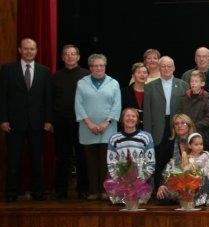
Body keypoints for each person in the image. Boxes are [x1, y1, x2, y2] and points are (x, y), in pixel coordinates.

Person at [0, 38, 52, 202]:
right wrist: (3, 119)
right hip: (14, 122)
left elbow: (47, 98)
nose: (29, 51)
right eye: (26, 48)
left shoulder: (44, 71)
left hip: (37, 122)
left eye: (32, 49)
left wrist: (48, 120)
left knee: (37, 159)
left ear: (36, 51)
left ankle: (38, 192)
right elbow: (2, 96)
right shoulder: (8, 69)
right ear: (20, 50)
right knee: (14, 159)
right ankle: (11, 192)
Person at [75, 53, 121, 200]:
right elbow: (78, 105)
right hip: (87, 128)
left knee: (106, 163)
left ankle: (105, 191)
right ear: (90, 67)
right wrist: (89, 123)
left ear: (105, 66)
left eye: (101, 65)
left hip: (108, 128)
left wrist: (105, 123)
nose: (98, 68)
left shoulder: (113, 83)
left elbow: (116, 105)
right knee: (90, 162)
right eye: (95, 65)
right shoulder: (82, 83)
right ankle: (93, 191)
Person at [143, 56, 189, 187]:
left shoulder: (183, 85)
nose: (166, 68)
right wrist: (147, 135)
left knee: (178, 159)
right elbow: (147, 113)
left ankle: (178, 189)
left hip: (177, 127)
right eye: (163, 66)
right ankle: (159, 190)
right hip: (158, 129)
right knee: (159, 160)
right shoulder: (150, 87)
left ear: (174, 68)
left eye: (169, 66)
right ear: (159, 68)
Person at [51, 44, 90, 200]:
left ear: (78, 57)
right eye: (66, 54)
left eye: (73, 54)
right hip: (61, 122)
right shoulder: (56, 76)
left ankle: (82, 189)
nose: (69, 56)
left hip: (81, 122)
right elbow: (50, 100)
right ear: (62, 58)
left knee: (81, 156)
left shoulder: (86, 75)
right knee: (62, 157)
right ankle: (60, 190)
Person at [106, 108, 156, 203]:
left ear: (137, 120)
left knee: (139, 201)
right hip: (121, 183)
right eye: (127, 116)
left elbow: (151, 164)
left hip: (142, 182)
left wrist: (139, 181)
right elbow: (111, 164)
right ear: (122, 119)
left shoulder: (146, 137)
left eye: (133, 116)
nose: (130, 118)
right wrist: (121, 181)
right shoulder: (114, 138)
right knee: (119, 203)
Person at [154, 114, 196, 204]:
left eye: (183, 123)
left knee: (192, 195)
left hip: (194, 182)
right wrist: (161, 185)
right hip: (175, 181)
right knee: (163, 198)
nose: (179, 126)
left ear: (189, 126)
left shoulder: (197, 142)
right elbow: (161, 167)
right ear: (173, 128)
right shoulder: (168, 144)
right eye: (176, 124)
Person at [178, 70, 209, 150]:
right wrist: (184, 126)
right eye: (192, 81)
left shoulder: (207, 98)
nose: (193, 83)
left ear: (202, 83)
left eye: (196, 81)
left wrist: (194, 125)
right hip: (185, 134)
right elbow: (179, 115)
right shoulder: (184, 98)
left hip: (201, 134)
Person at [184, 132, 209, 206]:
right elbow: (186, 170)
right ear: (189, 146)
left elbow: (208, 169)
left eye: (201, 144)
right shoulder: (188, 157)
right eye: (196, 144)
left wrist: (200, 171)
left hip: (204, 178)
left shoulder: (205, 154)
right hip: (193, 179)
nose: (199, 146)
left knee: (205, 177)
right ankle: (196, 198)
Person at [120, 62, 147, 131]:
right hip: (128, 130)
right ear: (133, 76)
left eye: (144, 72)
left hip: (147, 131)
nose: (142, 75)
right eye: (139, 72)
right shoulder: (123, 92)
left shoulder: (151, 92)